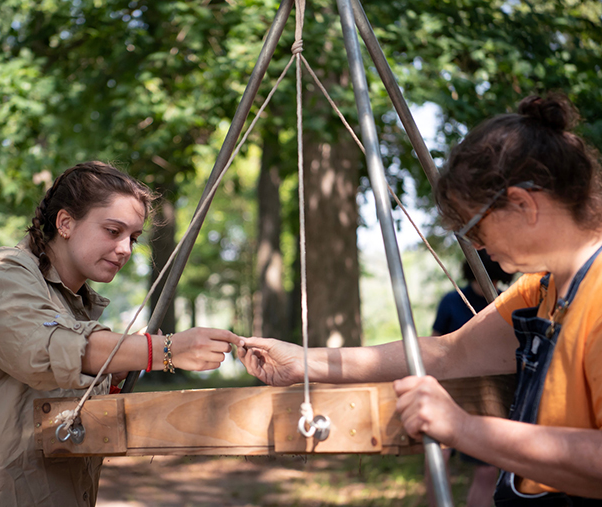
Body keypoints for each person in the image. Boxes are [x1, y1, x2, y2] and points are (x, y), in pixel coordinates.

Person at [238, 94, 602, 504]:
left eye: (474, 228)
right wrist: (304, 362)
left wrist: (462, 428)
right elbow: (450, 354)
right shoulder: (542, 287)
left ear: (522, 204)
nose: (477, 248)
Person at [0, 161, 243, 507]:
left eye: (134, 237)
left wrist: (117, 371)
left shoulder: (76, 306)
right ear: (65, 223)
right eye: (113, 231)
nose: (127, 249)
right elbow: (44, 349)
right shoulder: (2, 275)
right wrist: (164, 350)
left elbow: (65, 411)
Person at [427, 250, 513, 507]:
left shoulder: (505, 301)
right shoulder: (451, 301)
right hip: (451, 389)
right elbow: (435, 343)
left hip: (488, 393)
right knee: (437, 458)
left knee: (487, 469)